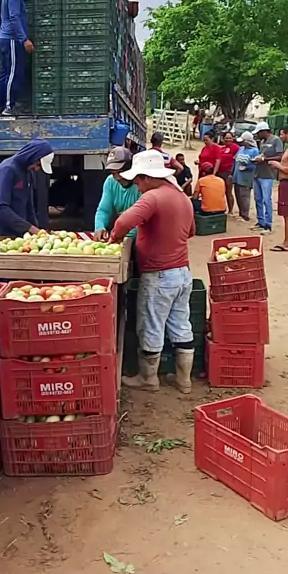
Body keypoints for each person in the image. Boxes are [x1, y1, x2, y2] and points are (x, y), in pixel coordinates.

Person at [109, 150, 196, 396]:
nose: (136, 186)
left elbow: (123, 222)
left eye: (138, 180)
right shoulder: (182, 197)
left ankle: (148, 379)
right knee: (181, 325)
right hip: (182, 273)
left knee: (151, 327)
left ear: (147, 177)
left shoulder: (152, 198)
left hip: (159, 275)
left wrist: (114, 238)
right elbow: (191, 231)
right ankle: (184, 380)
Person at [0, 139, 54, 237]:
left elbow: (29, 206)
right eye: (38, 164)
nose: (37, 168)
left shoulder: (28, 172)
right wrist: (31, 229)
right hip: (1, 234)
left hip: (18, 234)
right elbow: (2, 209)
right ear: (32, 156)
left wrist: (37, 231)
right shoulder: (8, 169)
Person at [0, 0, 34, 116]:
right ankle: (9, 107)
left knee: (5, 73)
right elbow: (14, 18)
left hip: (4, 39)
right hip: (12, 39)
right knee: (14, 73)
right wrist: (24, 39)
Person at [94, 147, 140, 240]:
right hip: (121, 233)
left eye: (121, 172)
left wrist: (126, 236)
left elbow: (142, 219)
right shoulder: (110, 181)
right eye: (114, 173)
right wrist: (99, 227)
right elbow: (104, 210)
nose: (118, 177)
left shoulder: (140, 183)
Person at [251, 121, 284, 234]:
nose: (258, 135)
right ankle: (261, 221)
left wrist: (265, 159)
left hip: (268, 174)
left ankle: (268, 224)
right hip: (258, 173)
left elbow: (280, 156)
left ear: (264, 131)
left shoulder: (276, 140)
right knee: (258, 199)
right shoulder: (262, 142)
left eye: (259, 133)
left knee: (266, 199)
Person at [232, 131, 259, 222]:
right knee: (238, 195)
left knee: (244, 196)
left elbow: (256, 164)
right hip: (237, 176)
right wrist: (232, 173)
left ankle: (245, 215)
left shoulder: (254, 151)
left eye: (243, 141)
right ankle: (241, 213)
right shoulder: (241, 149)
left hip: (246, 177)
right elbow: (235, 160)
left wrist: (247, 167)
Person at [218, 132, 240, 214]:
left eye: (230, 138)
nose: (228, 140)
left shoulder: (236, 148)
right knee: (220, 192)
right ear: (223, 139)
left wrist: (233, 173)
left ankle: (230, 210)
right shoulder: (221, 148)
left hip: (229, 173)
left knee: (228, 192)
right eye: (226, 138)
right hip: (220, 172)